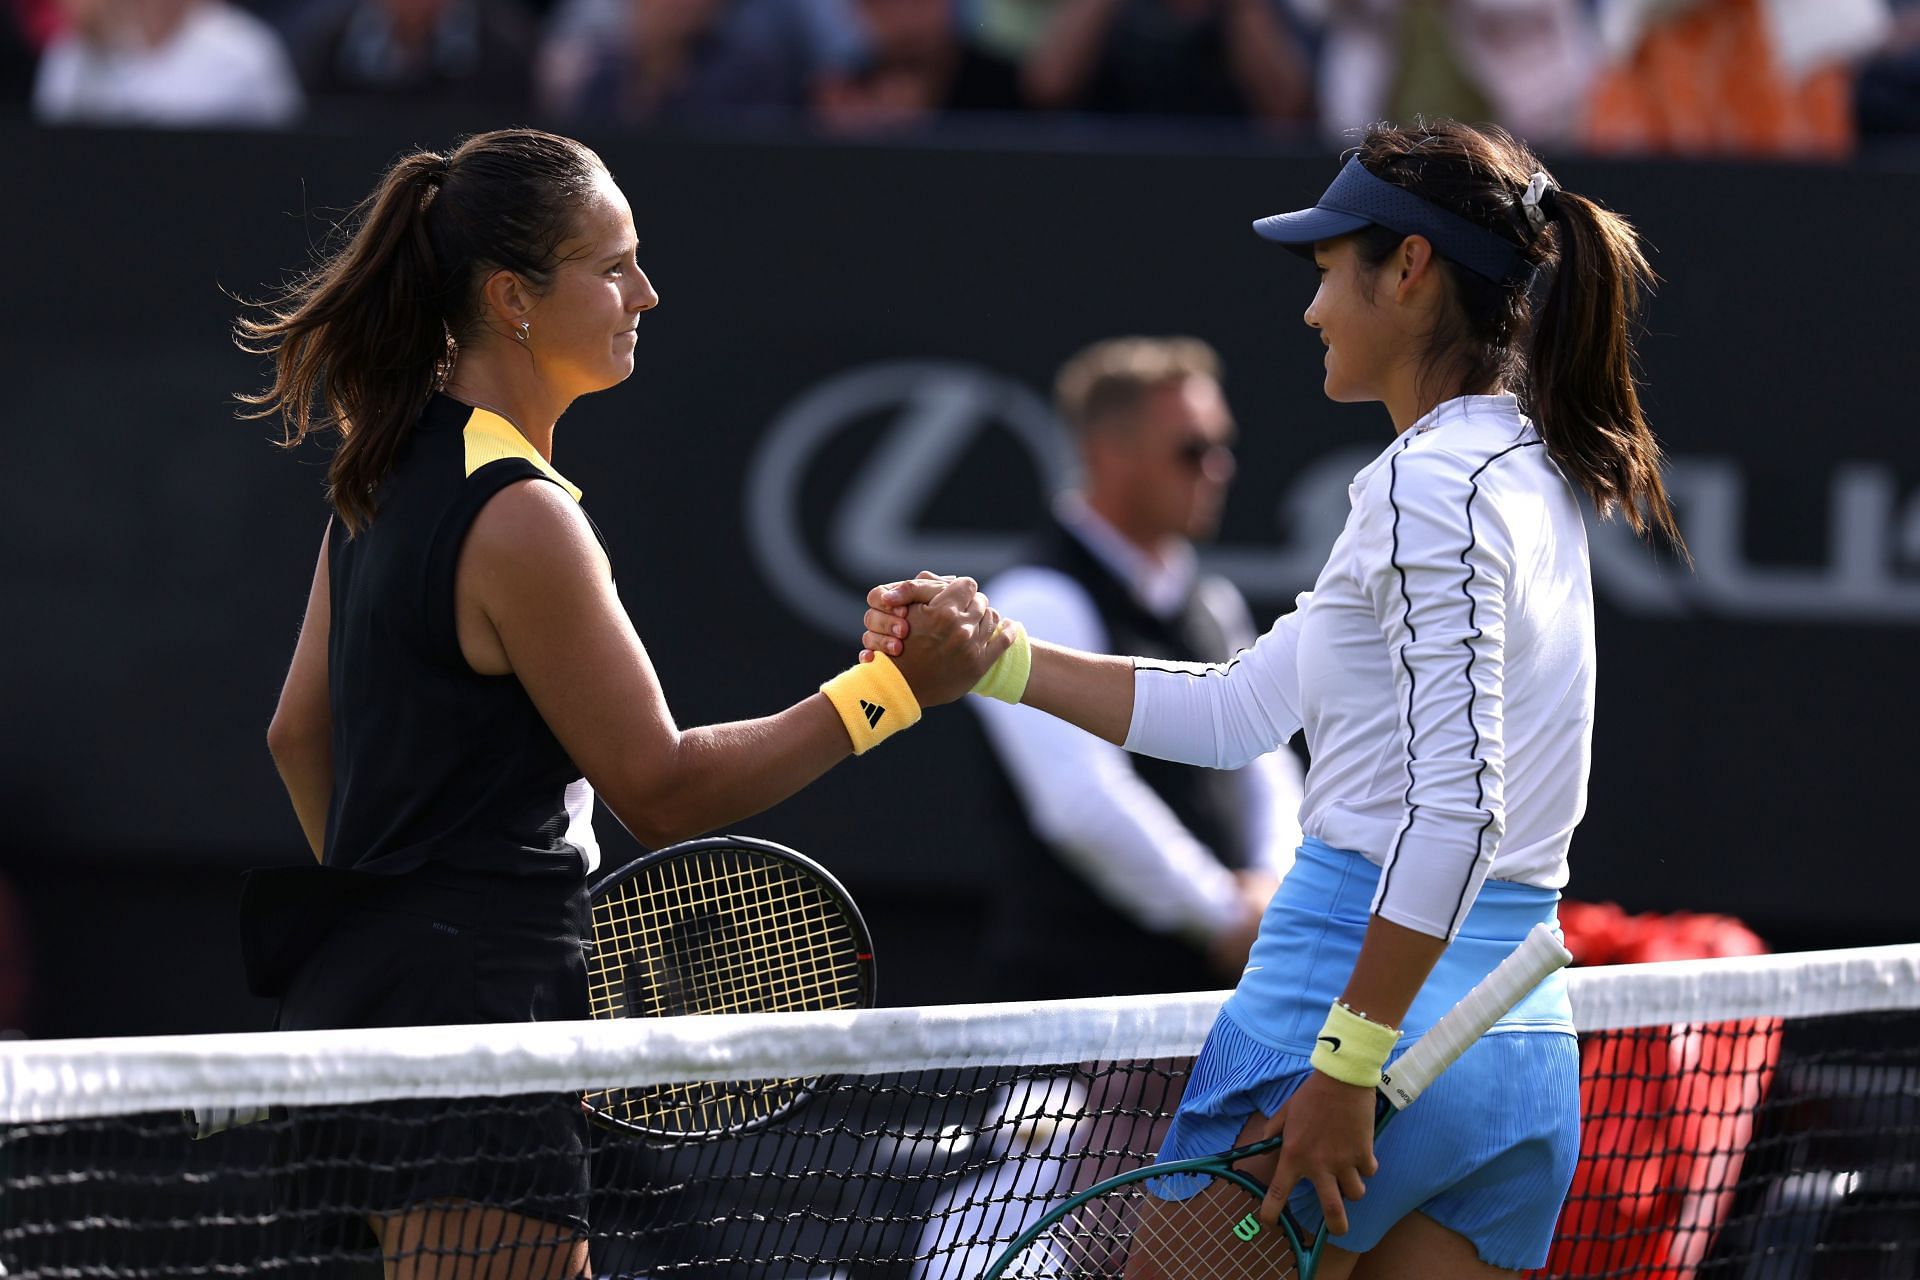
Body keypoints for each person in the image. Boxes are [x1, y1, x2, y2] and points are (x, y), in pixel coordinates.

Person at [864, 118, 1681, 1278]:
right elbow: (1240, 708)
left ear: (1409, 268)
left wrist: (1348, 1062)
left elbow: (1460, 811)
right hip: (1512, 1044)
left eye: (1329, 272)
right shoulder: (1528, 468)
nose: (1311, 311)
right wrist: (996, 660)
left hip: (1349, 1021)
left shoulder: (1425, 487)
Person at [239, 128, 1006, 1279]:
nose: (645, 292)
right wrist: (891, 690)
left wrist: (401, 921)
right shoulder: (522, 515)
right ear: (512, 299)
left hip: (364, 1011)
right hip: (473, 1037)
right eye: (612, 266)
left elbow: (298, 734)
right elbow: (661, 784)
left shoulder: (383, 471)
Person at [971, 336, 1304, 1002]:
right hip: (1070, 1015)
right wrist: (1226, 917)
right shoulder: (1035, 601)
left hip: (1212, 1011)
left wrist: (1269, 898)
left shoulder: (1214, 605)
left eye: (1221, 446)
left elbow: (1269, 773)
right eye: (1192, 451)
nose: (1218, 468)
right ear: (1107, 454)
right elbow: (1081, 804)